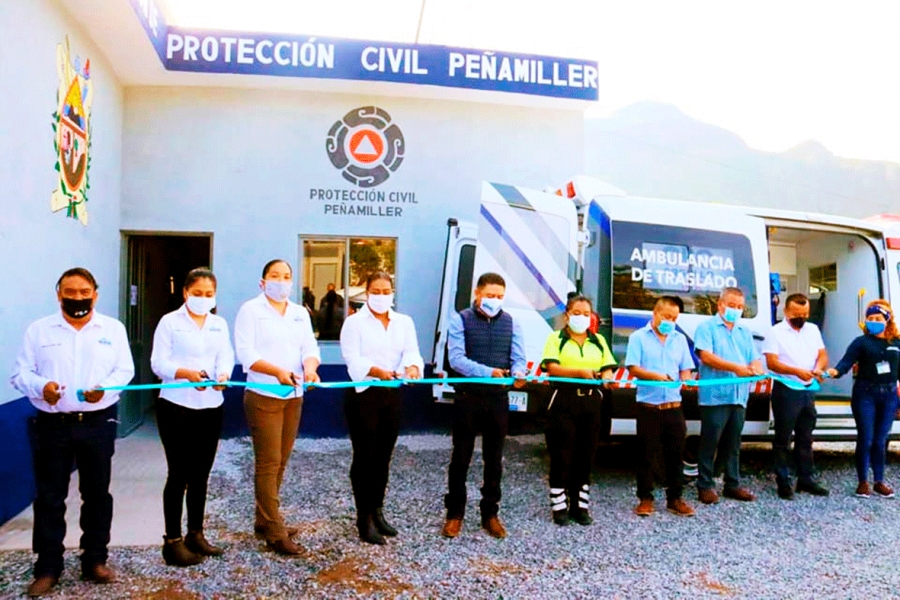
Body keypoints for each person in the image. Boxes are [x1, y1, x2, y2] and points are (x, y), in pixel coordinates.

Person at [11, 268, 134, 597]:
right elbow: (20, 373)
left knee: (97, 495)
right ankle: (48, 567)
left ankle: (94, 560)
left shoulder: (113, 329)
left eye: (84, 292)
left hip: (98, 423)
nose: (77, 298)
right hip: (53, 424)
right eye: (70, 292)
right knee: (50, 497)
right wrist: (41, 386)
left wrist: (105, 389)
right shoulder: (39, 330)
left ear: (95, 294)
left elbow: (125, 370)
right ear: (59, 295)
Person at [234, 259, 320, 556]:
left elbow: (309, 348)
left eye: (286, 276)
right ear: (262, 281)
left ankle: (264, 519)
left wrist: (310, 369)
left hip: (294, 395)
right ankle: (274, 530)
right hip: (264, 395)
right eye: (274, 276)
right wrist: (277, 372)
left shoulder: (299, 313)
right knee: (268, 462)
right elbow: (246, 354)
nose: (281, 281)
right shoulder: (250, 310)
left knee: (281, 460)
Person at [150, 268, 235, 566]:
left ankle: (195, 534)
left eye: (209, 294)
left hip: (211, 406)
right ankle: (172, 541)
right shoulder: (169, 322)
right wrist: (185, 373)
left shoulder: (218, 324)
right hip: (176, 406)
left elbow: (225, 355)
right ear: (186, 292)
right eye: (197, 293)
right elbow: (158, 363)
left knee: (201, 475)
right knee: (179, 474)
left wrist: (223, 375)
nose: (203, 299)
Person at [340, 272, 423, 544]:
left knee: (384, 456)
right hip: (364, 395)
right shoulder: (354, 323)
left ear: (393, 292)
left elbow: (411, 352)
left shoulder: (404, 322)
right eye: (375, 291)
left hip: (392, 395)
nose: (381, 295)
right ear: (366, 292)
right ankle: (363, 518)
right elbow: (352, 359)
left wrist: (413, 367)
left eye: (386, 291)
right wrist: (377, 371)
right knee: (364, 456)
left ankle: (377, 511)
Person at [441, 272, 526, 539]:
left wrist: (519, 372)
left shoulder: (511, 322)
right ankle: (455, 514)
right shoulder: (460, 320)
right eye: (490, 295)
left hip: (498, 399)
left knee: (494, 459)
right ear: (477, 293)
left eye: (499, 296)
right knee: (461, 457)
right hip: (468, 397)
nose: (495, 300)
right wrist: (488, 372)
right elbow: (456, 359)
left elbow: (518, 357)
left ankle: (490, 514)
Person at [540, 294, 616, 526]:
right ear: (567, 316)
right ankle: (559, 506)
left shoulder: (598, 340)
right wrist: (580, 373)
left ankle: (580, 506)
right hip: (564, 400)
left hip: (591, 402)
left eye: (586, 314)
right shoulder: (556, 338)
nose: (581, 318)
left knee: (586, 454)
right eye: (576, 313)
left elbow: (608, 366)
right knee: (561, 454)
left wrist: (607, 376)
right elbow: (552, 367)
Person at [625, 296, 696, 518]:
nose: (670, 322)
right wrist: (656, 377)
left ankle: (675, 498)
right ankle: (645, 499)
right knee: (646, 455)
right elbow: (633, 368)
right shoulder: (638, 337)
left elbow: (686, 368)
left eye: (674, 318)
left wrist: (686, 379)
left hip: (674, 406)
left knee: (675, 455)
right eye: (666, 316)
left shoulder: (679, 339)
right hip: (648, 407)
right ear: (655, 314)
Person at [693, 287, 763, 505]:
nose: (736, 310)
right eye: (732, 305)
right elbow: (706, 356)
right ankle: (705, 485)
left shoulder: (744, 331)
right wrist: (736, 368)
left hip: (739, 396)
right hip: (715, 396)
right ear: (720, 304)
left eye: (740, 307)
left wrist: (756, 368)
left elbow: (754, 358)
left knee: (733, 444)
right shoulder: (706, 327)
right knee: (710, 442)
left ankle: (732, 484)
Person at [827, 300, 900, 498]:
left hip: (889, 396)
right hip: (865, 395)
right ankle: (862, 482)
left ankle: (879, 481)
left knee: (880, 440)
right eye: (870, 318)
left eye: (878, 318)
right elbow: (845, 363)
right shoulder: (861, 342)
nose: (874, 322)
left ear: (887, 320)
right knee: (866, 438)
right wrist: (835, 371)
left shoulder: (896, 343)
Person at [763, 293, 829, 499]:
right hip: (786, 389)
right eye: (797, 314)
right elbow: (772, 362)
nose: (802, 318)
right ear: (786, 311)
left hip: (808, 389)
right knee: (783, 438)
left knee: (806, 437)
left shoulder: (812, 329)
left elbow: (822, 355)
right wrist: (796, 372)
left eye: (805, 314)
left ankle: (805, 479)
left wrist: (818, 368)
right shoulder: (774, 332)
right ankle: (783, 481)